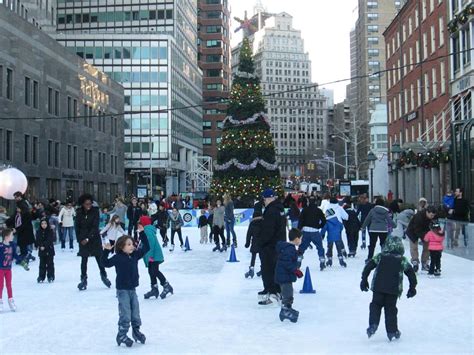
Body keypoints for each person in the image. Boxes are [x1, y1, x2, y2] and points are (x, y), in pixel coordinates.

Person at [360, 236, 417, 341]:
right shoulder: (402, 260)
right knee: (390, 309)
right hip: (393, 290)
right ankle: (392, 331)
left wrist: (364, 280)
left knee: (375, 305)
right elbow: (411, 274)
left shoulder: (380, 256)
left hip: (378, 287)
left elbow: (368, 267)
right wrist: (412, 288)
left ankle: (373, 324)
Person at [102, 234, 150, 347]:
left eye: (132, 244)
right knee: (126, 313)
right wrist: (106, 251)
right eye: (128, 244)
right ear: (121, 247)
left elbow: (146, 248)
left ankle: (136, 332)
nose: (132, 246)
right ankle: (121, 334)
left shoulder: (134, 255)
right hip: (122, 290)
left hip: (132, 289)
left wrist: (142, 234)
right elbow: (105, 263)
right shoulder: (118, 257)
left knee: (135, 313)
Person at [75, 193, 111, 291]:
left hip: (94, 238)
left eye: (90, 204)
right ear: (82, 204)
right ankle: (83, 279)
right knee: (84, 260)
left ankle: (104, 275)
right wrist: (80, 239)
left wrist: (88, 238)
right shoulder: (79, 212)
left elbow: (95, 226)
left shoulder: (95, 212)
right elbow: (77, 227)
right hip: (83, 240)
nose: (89, 206)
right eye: (87, 204)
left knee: (99, 258)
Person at [257, 188, 286, 305]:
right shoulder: (279, 209)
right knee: (275, 269)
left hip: (270, 246)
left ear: (269, 198)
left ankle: (272, 293)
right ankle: (277, 291)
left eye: (264, 199)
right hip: (279, 244)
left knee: (268, 270)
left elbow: (268, 230)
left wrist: (261, 242)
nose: (263, 202)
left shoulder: (271, 211)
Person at [139, 216, 174, 300]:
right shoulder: (147, 230)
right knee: (151, 271)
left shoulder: (147, 230)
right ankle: (154, 289)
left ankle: (166, 285)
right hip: (152, 255)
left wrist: (150, 256)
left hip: (154, 255)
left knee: (154, 271)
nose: (139, 225)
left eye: (140, 223)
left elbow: (151, 244)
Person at [275, 228, 304, 323]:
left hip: (285, 276)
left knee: (289, 293)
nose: (301, 241)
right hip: (284, 277)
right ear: (296, 239)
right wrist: (296, 271)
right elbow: (287, 263)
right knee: (287, 295)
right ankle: (285, 311)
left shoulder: (289, 249)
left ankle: (288, 309)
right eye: (300, 239)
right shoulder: (289, 250)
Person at [0, 228, 29, 312]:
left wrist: (23, 263)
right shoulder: (1, 246)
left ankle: (11, 300)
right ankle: (0, 301)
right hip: (0, 269)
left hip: (8, 269)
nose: (13, 236)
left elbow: (16, 256)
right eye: (11, 235)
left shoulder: (12, 245)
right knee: (0, 285)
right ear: (6, 237)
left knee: (9, 285)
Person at [297, 195, 327, 270]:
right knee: (320, 247)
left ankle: (298, 262)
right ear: (316, 202)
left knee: (302, 248)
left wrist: (298, 230)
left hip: (306, 231)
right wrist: (319, 226)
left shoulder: (304, 210)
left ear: (308, 202)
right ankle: (322, 261)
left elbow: (300, 221)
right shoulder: (318, 210)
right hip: (315, 231)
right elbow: (324, 221)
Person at [405, 205, 437, 272]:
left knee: (427, 247)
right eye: (431, 215)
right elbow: (417, 230)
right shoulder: (419, 217)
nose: (432, 217)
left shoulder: (433, 216)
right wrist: (423, 238)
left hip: (425, 231)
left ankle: (425, 263)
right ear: (427, 212)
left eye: (433, 215)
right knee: (414, 247)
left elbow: (435, 225)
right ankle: (415, 262)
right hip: (413, 231)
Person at [244, 201, 263, 279]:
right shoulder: (264, 223)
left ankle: (252, 268)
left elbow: (249, 234)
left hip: (255, 242)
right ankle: (263, 268)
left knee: (253, 256)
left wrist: (247, 243)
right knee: (262, 257)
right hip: (262, 243)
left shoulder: (252, 224)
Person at [35, 218, 55, 283]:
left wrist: (44, 245)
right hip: (42, 251)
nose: (43, 225)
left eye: (45, 223)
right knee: (42, 264)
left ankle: (50, 276)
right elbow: (38, 239)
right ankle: (41, 276)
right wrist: (40, 245)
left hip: (49, 250)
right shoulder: (38, 231)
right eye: (42, 224)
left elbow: (50, 240)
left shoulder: (50, 231)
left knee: (50, 264)